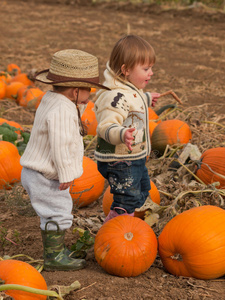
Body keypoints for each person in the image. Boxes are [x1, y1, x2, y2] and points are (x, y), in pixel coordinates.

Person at [20, 49, 109, 271]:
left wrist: (80, 106)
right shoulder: (62, 109)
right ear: (75, 91)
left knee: (55, 209)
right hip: (44, 173)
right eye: (88, 90)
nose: (90, 94)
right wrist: (67, 173)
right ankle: (54, 258)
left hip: (38, 170)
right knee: (57, 210)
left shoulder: (54, 100)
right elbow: (59, 144)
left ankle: (56, 251)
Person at [94, 34, 161, 223]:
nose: (151, 73)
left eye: (151, 68)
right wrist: (121, 133)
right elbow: (106, 126)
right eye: (146, 69)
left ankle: (125, 218)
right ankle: (116, 227)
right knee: (126, 200)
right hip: (120, 160)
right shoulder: (114, 97)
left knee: (142, 190)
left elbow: (133, 99)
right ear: (125, 70)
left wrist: (146, 98)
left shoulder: (130, 89)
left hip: (133, 157)